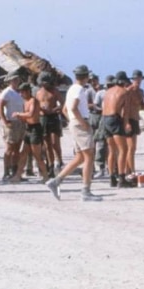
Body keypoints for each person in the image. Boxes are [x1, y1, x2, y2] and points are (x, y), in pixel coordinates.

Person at [45, 65, 102, 202]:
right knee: (89, 156)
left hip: (74, 123)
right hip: (79, 123)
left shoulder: (71, 89)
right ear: (86, 76)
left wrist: (72, 121)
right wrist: (83, 123)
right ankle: (86, 191)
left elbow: (65, 109)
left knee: (80, 157)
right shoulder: (79, 90)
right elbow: (72, 107)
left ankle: (56, 181)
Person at [12, 82, 49, 182]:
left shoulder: (33, 101)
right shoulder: (25, 101)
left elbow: (31, 114)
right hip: (28, 128)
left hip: (35, 129)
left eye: (23, 92)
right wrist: (20, 117)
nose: (21, 94)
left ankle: (45, 176)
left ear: (28, 91)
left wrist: (19, 114)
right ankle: (17, 175)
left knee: (37, 155)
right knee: (23, 154)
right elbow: (25, 116)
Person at [103, 71, 133, 188]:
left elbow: (104, 106)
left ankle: (111, 178)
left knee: (111, 150)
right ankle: (121, 178)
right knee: (123, 149)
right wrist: (126, 124)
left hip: (105, 119)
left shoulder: (108, 92)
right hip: (115, 118)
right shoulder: (124, 92)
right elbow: (125, 111)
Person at [0, 72, 26, 180]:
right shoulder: (6, 93)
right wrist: (5, 121)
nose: (16, 81)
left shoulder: (19, 93)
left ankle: (15, 171)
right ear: (9, 81)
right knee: (9, 148)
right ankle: (6, 171)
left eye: (17, 79)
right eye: (14, 80)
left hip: (20, 121)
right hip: (11, 121)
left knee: (17, 148)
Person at [36, 72, 65, 177]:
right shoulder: (38, 92)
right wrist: (40, 110)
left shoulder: (54, 91)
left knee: (54, 142)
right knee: (46, 144)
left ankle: (59, 161)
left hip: (52, 117)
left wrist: (53, 110)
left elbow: (62, 104)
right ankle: (51, 165)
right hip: (42, 118)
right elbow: (35, 105)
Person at [124, 69, 144, 178]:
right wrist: (126, 122)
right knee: (130, 147)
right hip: (128, 119)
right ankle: (131, 170)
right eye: (136, 79)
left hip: (135, 119)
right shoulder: (128, 91)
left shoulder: (141, 92)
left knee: (132, 148)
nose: (137, 81)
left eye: (139, 79)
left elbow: (141, 107)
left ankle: (129, 169)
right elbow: (125, 107)